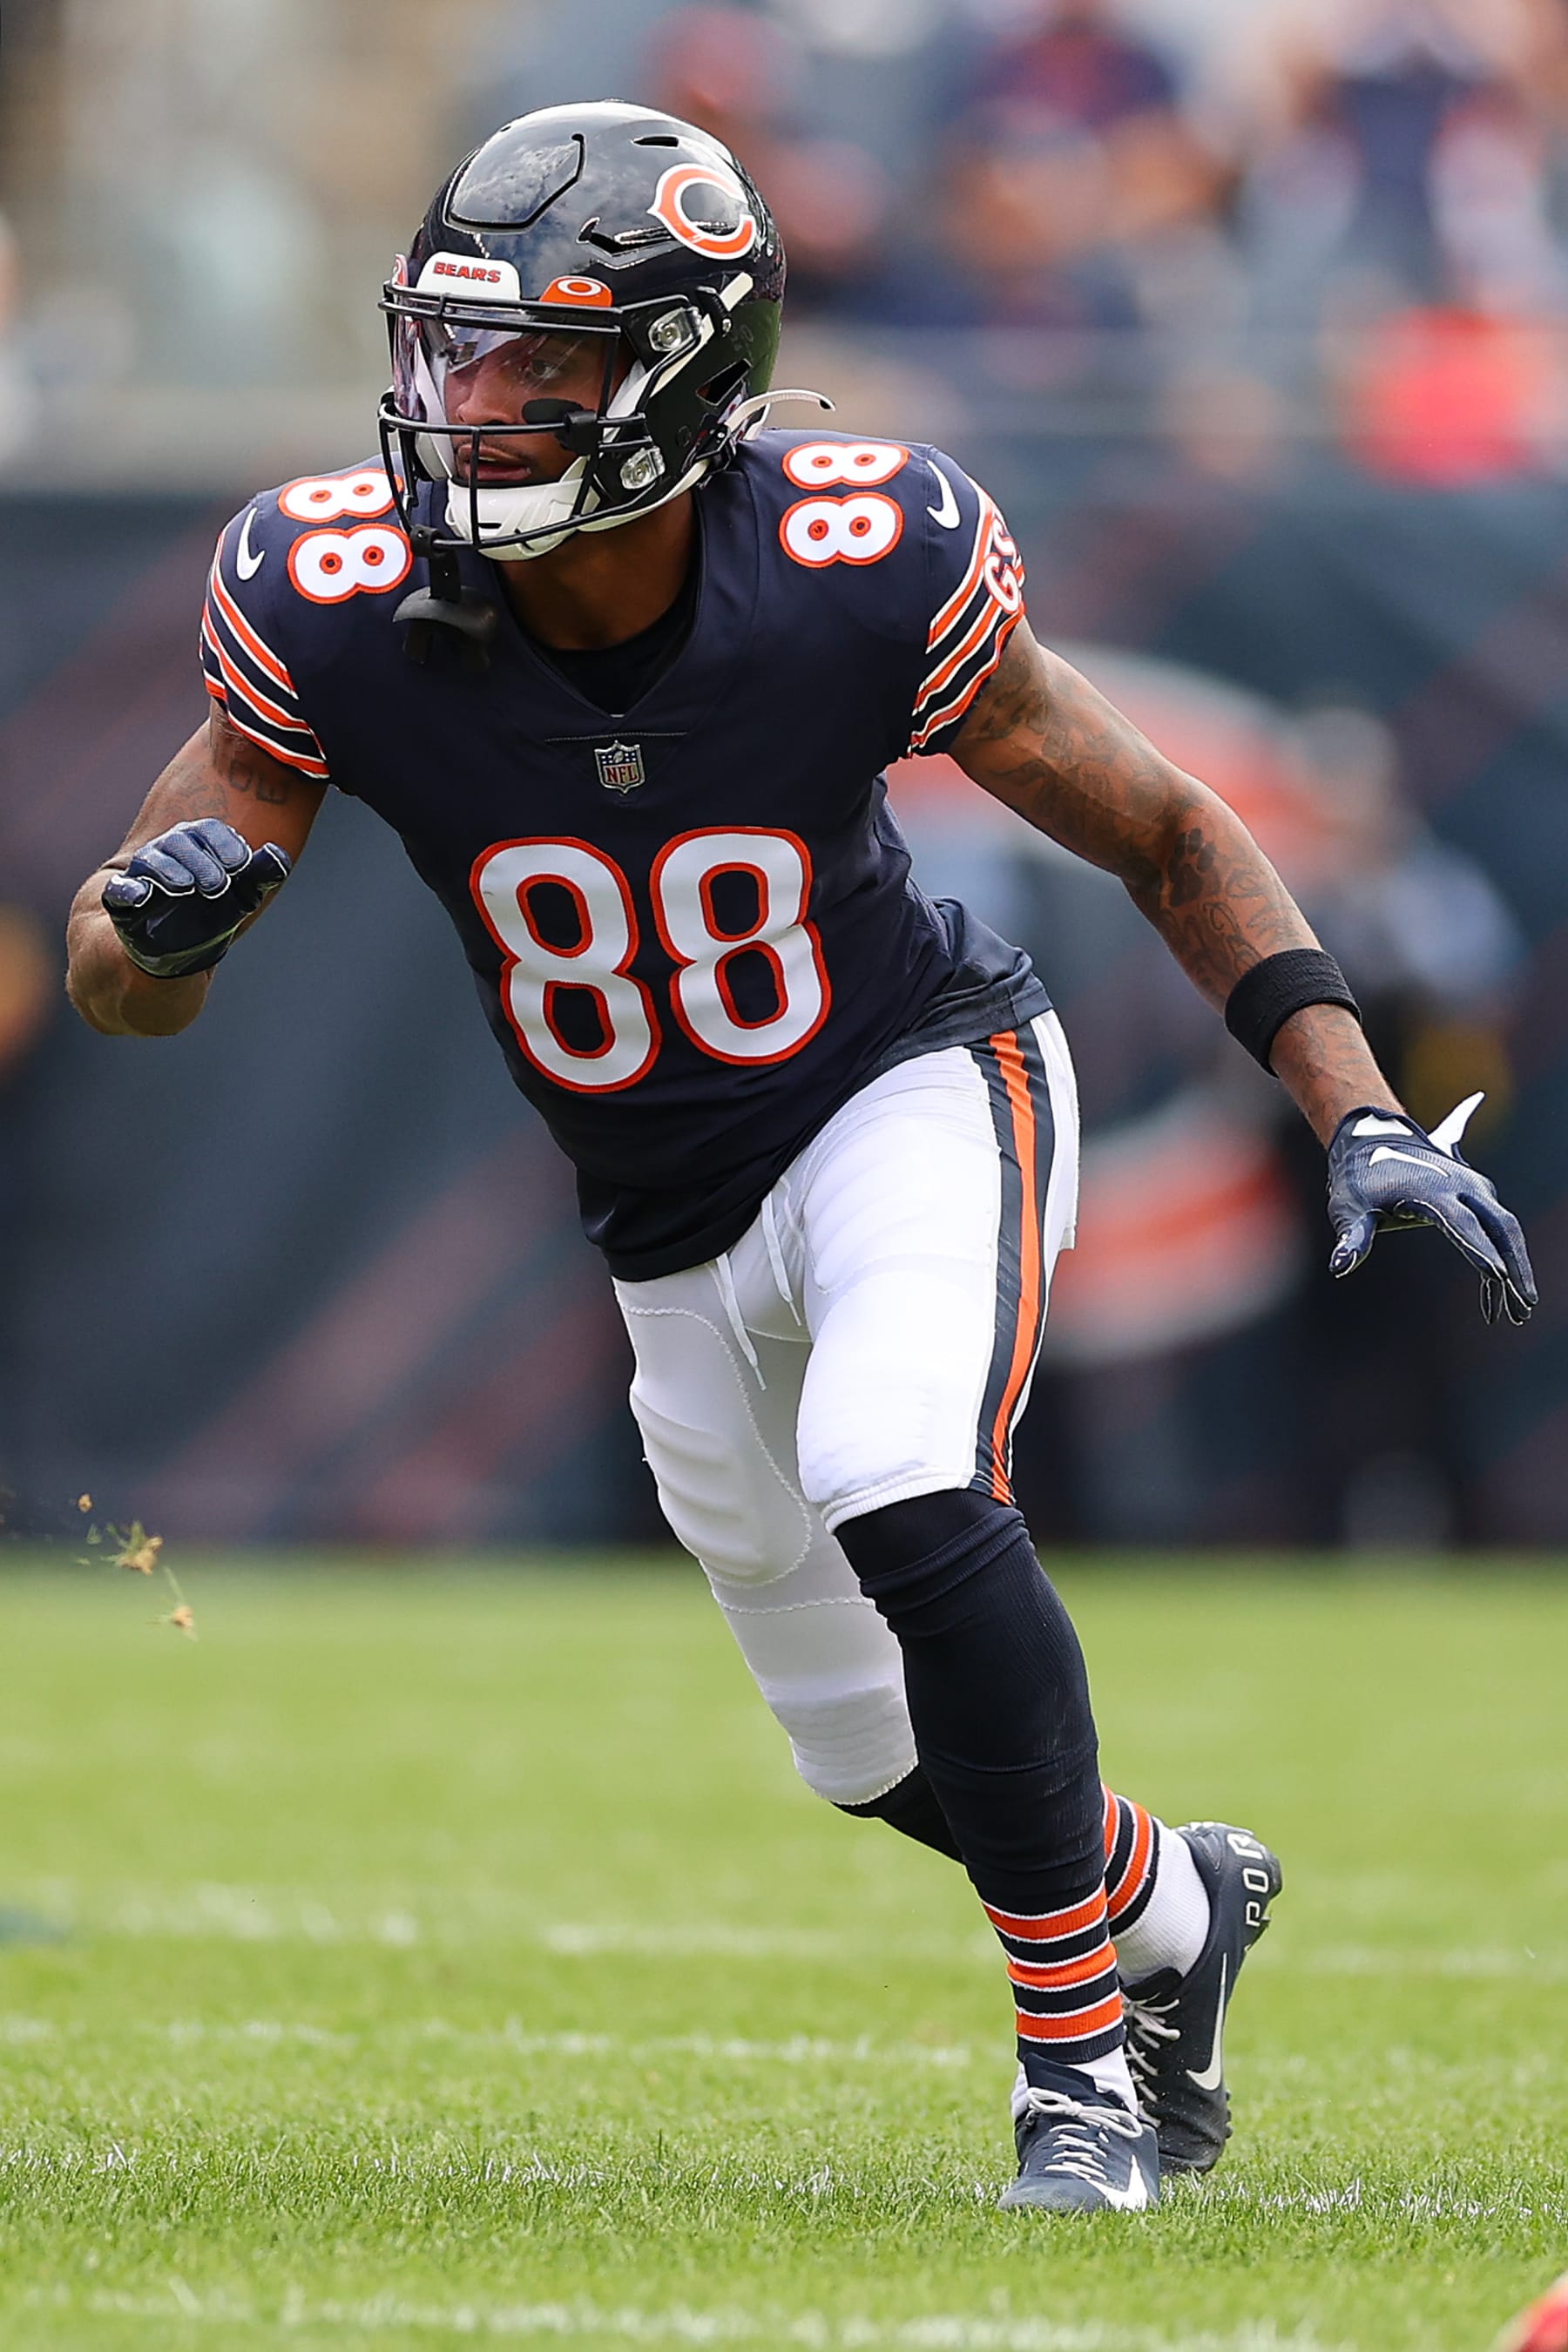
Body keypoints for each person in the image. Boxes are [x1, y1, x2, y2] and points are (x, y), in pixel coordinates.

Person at [64, 103, 1534, 2213]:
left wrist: (1360, 1109)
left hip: (903, 1085)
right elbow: (123, 978)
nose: (471, 405)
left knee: (895, 1464)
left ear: (681, 379)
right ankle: (1171, 1907)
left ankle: (1080, 2076)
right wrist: (159, 933)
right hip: (659, 1215)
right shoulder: (335, 594)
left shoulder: (856, 562)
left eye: (539, 364)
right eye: (454, 351)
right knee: (861, 1748)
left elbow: (1165, 829)